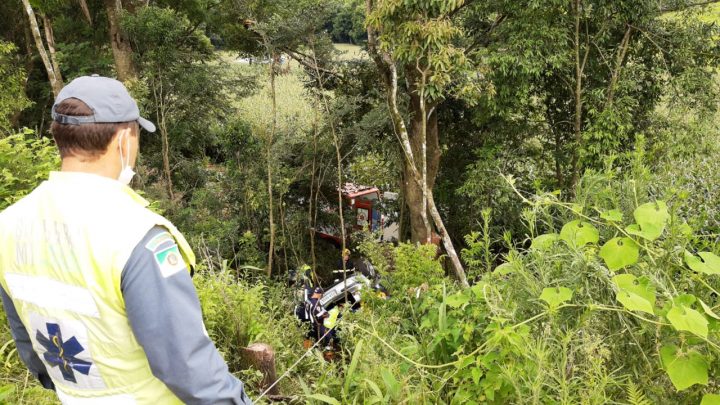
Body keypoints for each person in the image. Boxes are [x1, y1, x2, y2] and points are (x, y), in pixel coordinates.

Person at [0, 76, 252, 404]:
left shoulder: (9, 224)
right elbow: (187, 367)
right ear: (124, 139)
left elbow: (28, 343)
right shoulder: (138, 237)